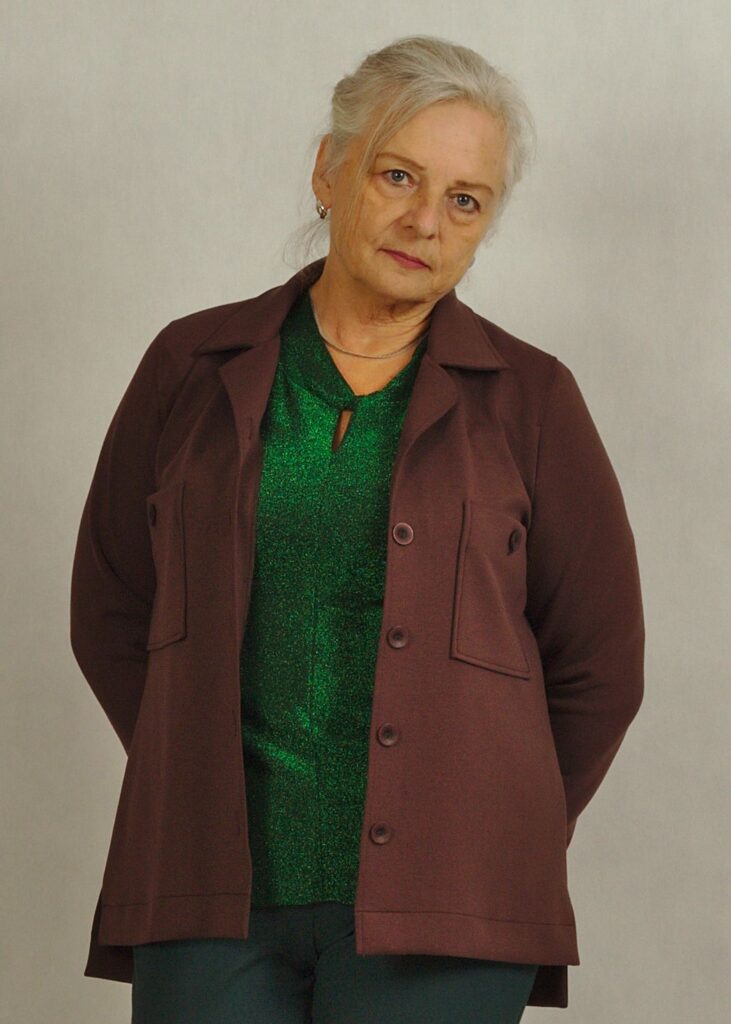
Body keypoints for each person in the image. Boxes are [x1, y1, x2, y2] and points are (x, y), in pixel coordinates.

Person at [70, 34, 645, 1024]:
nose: (425, 221)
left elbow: (598, 665)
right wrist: (192, 767)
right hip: (207, 894)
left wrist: (490, 828)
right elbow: (112, 605)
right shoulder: (190, 366)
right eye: (397, 176)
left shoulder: (532, 399)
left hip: (448, 912)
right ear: (329, 171)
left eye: (464, 200)